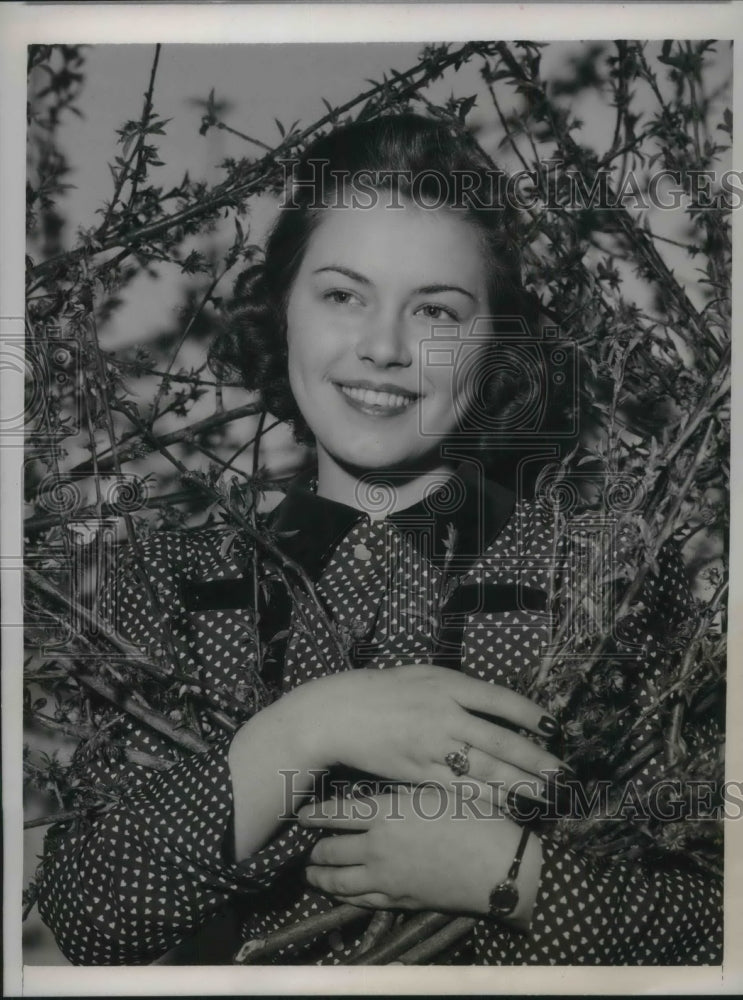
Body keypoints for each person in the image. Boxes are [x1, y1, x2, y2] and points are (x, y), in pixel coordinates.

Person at [36, 112, 723, 966]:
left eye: (435, 310)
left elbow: (718, 922)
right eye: (342, 295)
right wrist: (306, 731)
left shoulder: (601, 575)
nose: (385, 348)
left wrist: (513, 878)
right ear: (282, 308)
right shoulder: (176, 580)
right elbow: (91, 921)